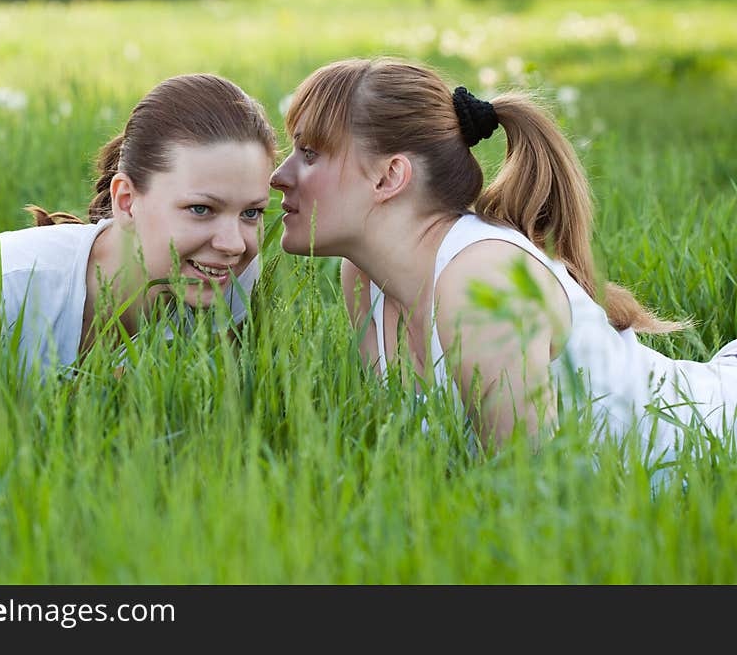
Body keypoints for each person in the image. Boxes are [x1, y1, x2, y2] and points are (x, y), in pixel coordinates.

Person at [270, 57, 737, 459]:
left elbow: (535, 497)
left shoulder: (481, 281)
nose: (279, 176)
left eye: (310, 154)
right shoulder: (365, 279)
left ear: (390, 176)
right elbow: (425, 462)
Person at [0, 73, 277, 377]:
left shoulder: (227, 277)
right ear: (126, 201)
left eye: (251, 213)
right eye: (201, 209)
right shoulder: (3, 277)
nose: (233, 244)